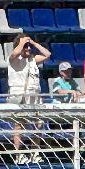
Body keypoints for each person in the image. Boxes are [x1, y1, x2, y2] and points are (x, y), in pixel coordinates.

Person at [7, 34, 51, 162]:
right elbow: (13, 54)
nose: (28, 49)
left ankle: (35, 152)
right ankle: (18, 154)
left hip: (34, 95)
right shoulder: (14, 59)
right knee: (19, 124)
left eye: (28, 46)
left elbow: (47, 54)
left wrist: (33, 43)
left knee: (38, 124)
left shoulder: (33, 59)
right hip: (20, 95)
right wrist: (21, 43)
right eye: (25, 47)